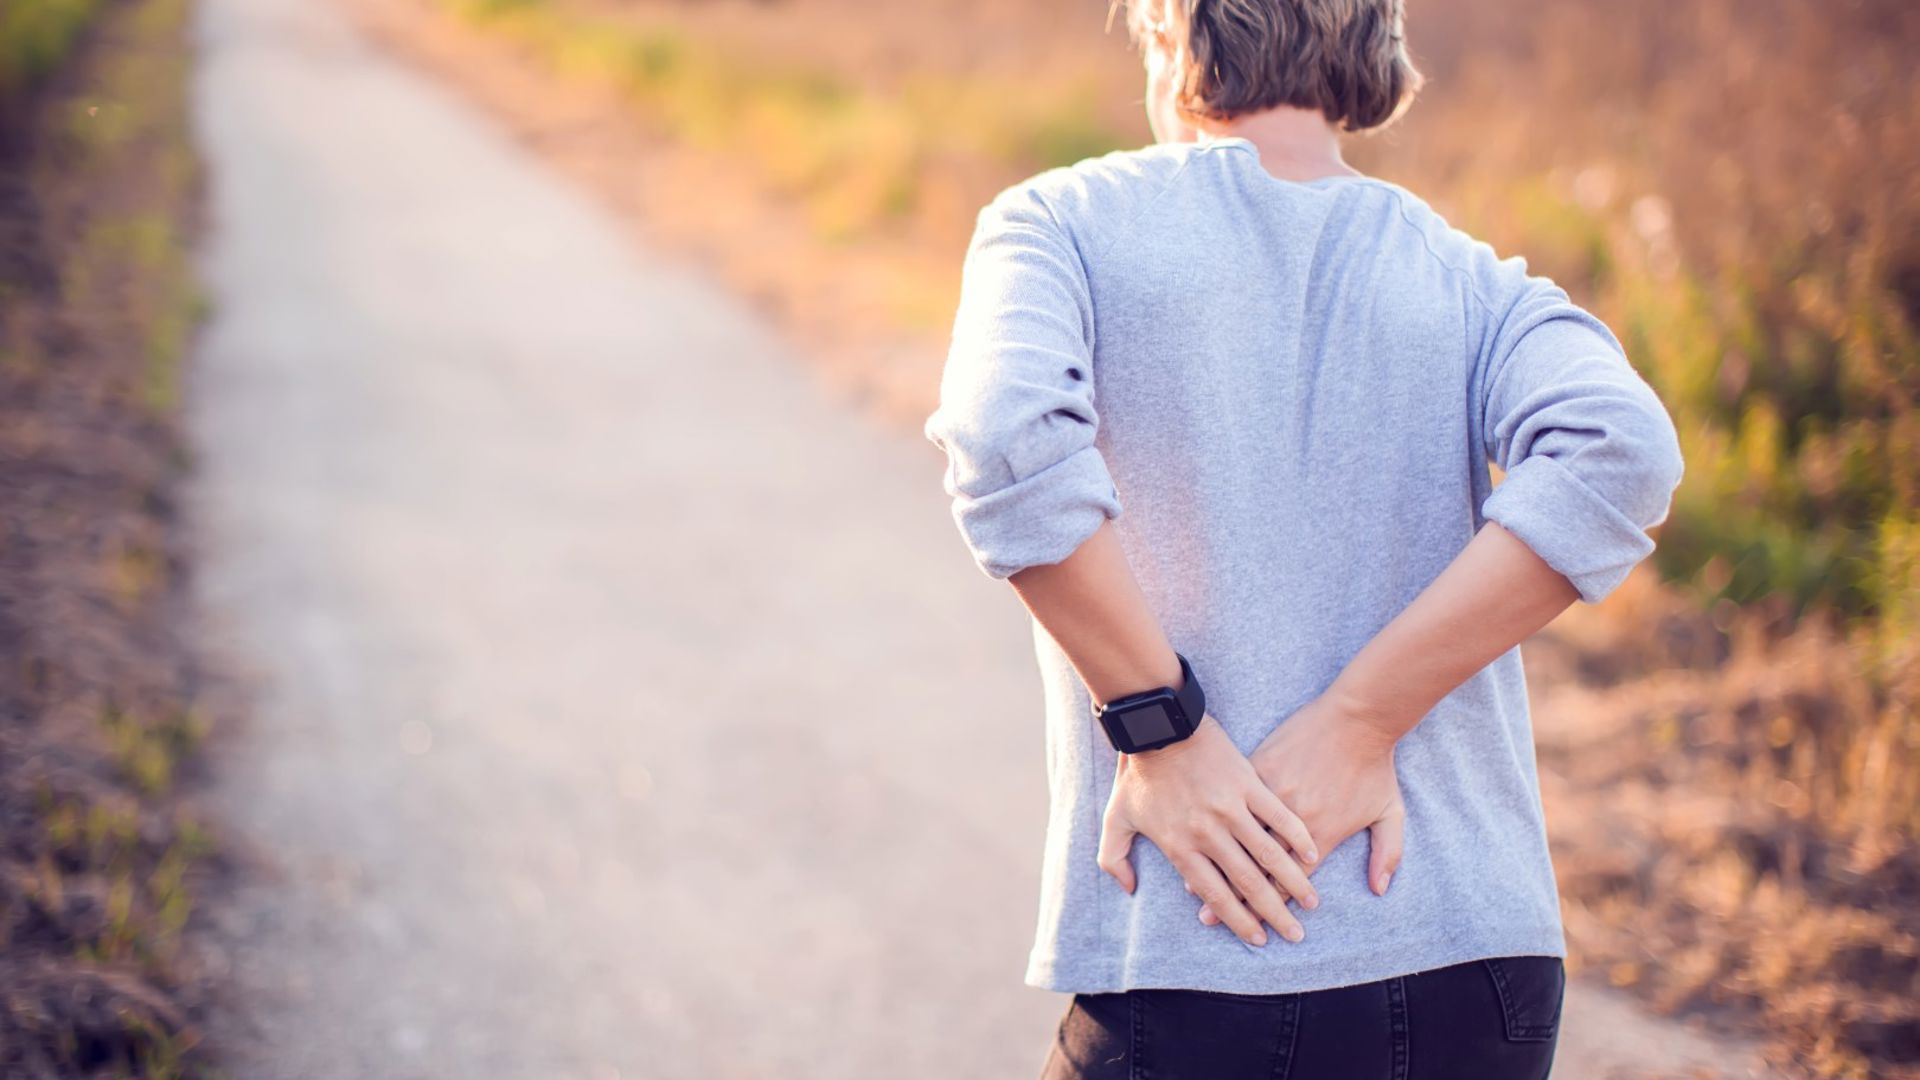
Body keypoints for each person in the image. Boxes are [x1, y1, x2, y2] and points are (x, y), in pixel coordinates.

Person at [922, 0, 1686, 1076]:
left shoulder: (1058, 223)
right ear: (1373, 44)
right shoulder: (1467, 278)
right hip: (1476, 961)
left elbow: (1006, 440)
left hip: (1200, 942)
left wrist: (1165, 734)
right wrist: (1363, 720)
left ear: (1170, 37)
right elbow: (1623, 450)